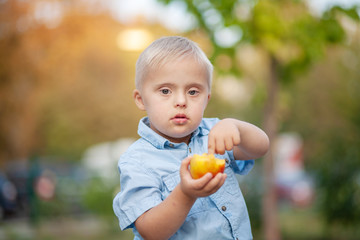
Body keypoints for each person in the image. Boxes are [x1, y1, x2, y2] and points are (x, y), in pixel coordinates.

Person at [113, 36, 269, 240]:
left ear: (207, 99)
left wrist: (235, 126)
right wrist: (186, 194)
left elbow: (261, 147)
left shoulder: (215, 133)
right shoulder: (137, 161)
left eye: (193, 91)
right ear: (141, 99)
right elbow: (150, 232)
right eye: (165, 91)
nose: (181, 101)